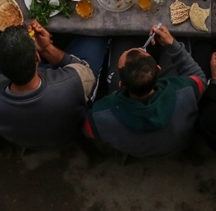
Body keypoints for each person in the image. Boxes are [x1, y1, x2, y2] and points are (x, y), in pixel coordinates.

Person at [0, 22, 108, 149]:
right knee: (98, 32)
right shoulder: (72, 82)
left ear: (0, 68)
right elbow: (86, 71)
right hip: (68, 134)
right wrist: (46, 48)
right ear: (37, 58)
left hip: (27, 141)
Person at [84, 25, 205, 158]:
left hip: (138, 151)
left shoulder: (99, 117)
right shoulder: (185, 91)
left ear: (121, 83)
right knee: (181, 37)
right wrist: (172, 44)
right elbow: (199, 79)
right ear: (158, 69)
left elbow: (88, 130)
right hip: (176, 146)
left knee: (122, 40)